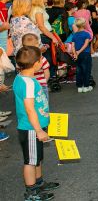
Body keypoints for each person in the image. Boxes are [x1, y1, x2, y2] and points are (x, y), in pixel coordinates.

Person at [13, 45, 59, 201]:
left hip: (35, 126)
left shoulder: (23, 77)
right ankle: (31, 192)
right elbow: (30, 109)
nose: (42, 61)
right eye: (41, 59)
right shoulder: (28, 83)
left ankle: (39, 183)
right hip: (31, 128)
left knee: (37, 157)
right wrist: (39, 130)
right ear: (36, 64)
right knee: (30, 161)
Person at [21, 34, 50, 100]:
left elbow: (20, 72)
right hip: (41, 85)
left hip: (27, 85)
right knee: (43, 103)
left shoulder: (22, 59)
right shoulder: (42, 59)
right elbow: (47, 73)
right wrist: (44, 82)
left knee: (28, 102)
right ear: (36, 46)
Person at [71, 18, 93, 93]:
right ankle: (86, 86)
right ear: (84, 25)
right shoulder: (87, 34)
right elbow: (86, 44)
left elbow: (73, 45)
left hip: (77, 54)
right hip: (85, 54)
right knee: (86, 70)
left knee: (78, 70)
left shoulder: (74, 35)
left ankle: (79, 86)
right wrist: (79, 51)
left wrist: (75, 53)